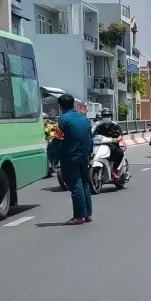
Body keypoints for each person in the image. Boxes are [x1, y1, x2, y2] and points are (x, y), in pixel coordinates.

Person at [56, 94, 93, 225]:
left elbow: (57, 139)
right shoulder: (84, 119)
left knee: (76, 185)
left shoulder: (63, 119)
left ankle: (78, 216)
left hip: (69, 157)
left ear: (61, 106)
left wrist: (53, 156)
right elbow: (90, 139)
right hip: (84, 156)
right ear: (73, 104)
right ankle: (88, 214)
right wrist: (90, 155)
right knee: (84, 184)